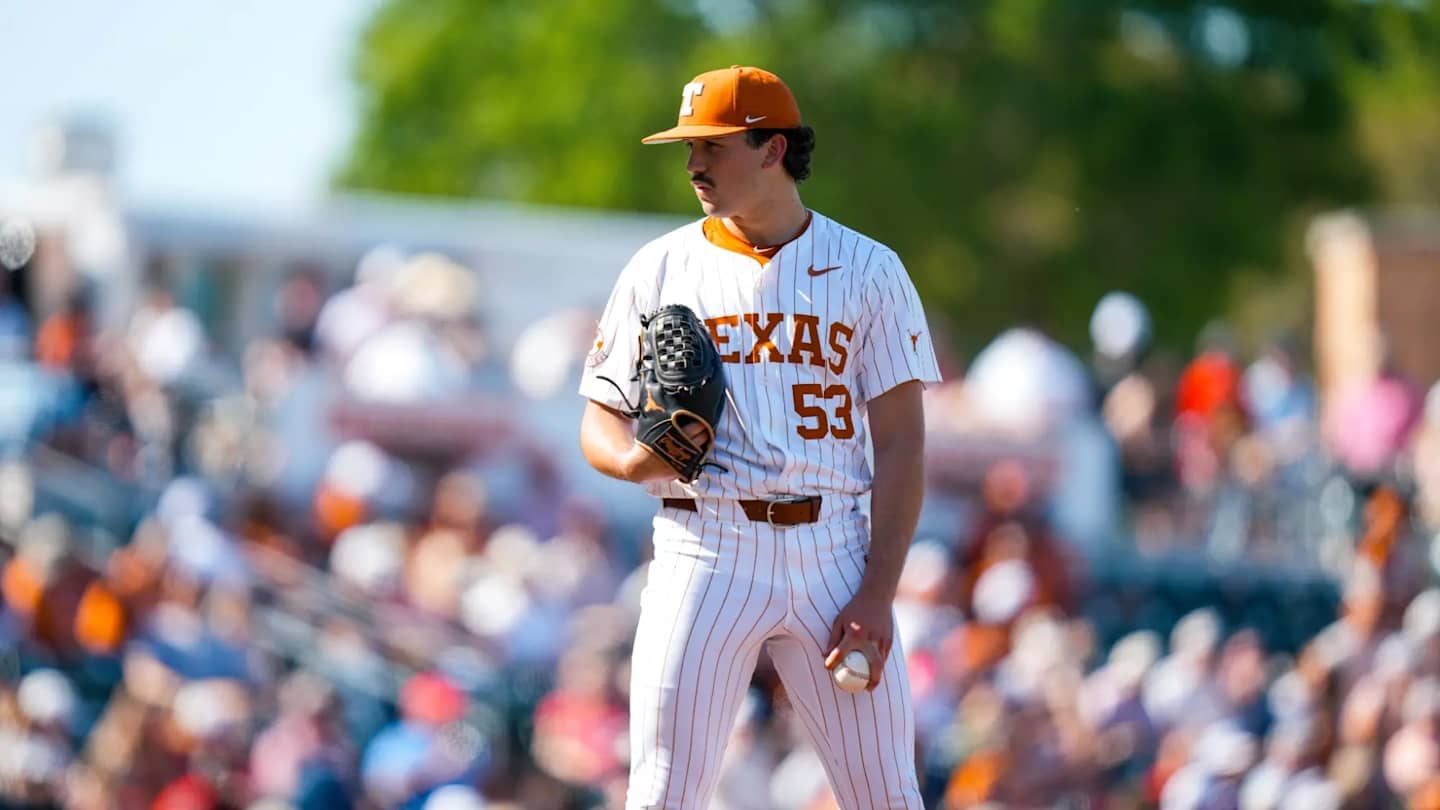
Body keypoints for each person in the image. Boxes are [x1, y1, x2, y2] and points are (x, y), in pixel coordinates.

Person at [577, 65, 941, 809]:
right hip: (705, 543)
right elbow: (600, 414)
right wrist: (632, 460)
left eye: (712, 145)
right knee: (661, 794)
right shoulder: (661, 265)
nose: (693, 163)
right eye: (689, 147)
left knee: (888, 796)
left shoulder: (871, 270)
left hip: (833, 548)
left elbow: (903, 442)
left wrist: (878, 592)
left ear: (773, 148)